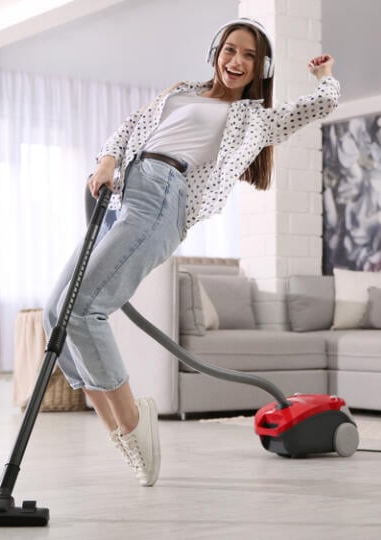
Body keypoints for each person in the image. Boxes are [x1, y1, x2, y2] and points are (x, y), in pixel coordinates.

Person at [43, 17, 340, 487]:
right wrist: (106, 161)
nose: (236, 60)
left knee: (83, 311)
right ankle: (120, 431)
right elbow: (131, 128)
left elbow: (321, 103)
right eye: (229, 49)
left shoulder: (253, 119)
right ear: (216, 52)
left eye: (248, 55)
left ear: (261, 68)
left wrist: (325, 77)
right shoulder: (180, 91)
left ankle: (135, 427)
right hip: (122, 194)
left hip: (162, 196)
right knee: (55, 312)